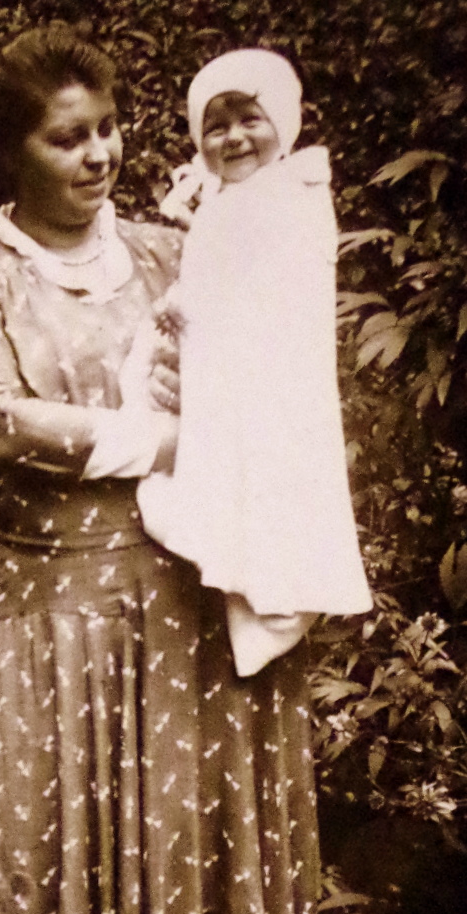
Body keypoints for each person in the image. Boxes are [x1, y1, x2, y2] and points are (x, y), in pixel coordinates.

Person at [0, 23, 321, 914]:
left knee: (180, 838)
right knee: (78, 847)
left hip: (185, 585)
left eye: (106, 129)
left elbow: (268, 362)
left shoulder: (170, 251)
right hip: (55, 607)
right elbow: (1, 421)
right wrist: (167, 438)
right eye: (67, 138)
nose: (98, 154)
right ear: (13, 152)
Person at [137, 49, 371, 677]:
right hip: (231, 368)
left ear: (283, 123)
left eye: (250, 119)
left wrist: (192, 308)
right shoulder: (233, 202)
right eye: (215, 127)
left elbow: (272, 289)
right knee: (234, 473)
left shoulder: (291, 195)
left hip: (273, 371)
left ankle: (275, 602)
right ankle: (248, 583)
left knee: (275, 476)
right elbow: (216, 273)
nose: (234, 137)